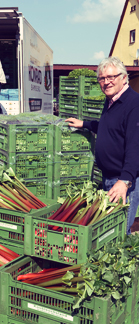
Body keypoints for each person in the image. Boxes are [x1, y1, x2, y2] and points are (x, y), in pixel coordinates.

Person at [66, 56, 139, 235]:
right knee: (109, 231)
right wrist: (84, 124)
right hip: (109, 178)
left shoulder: (134, 104)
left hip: (122, 181)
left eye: (111, 77)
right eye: (102, 78)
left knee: (117, 233)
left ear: (124, 77)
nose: (106, 82)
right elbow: (109, 129)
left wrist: (125, 181)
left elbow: (135, 146)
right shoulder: (111, 101)